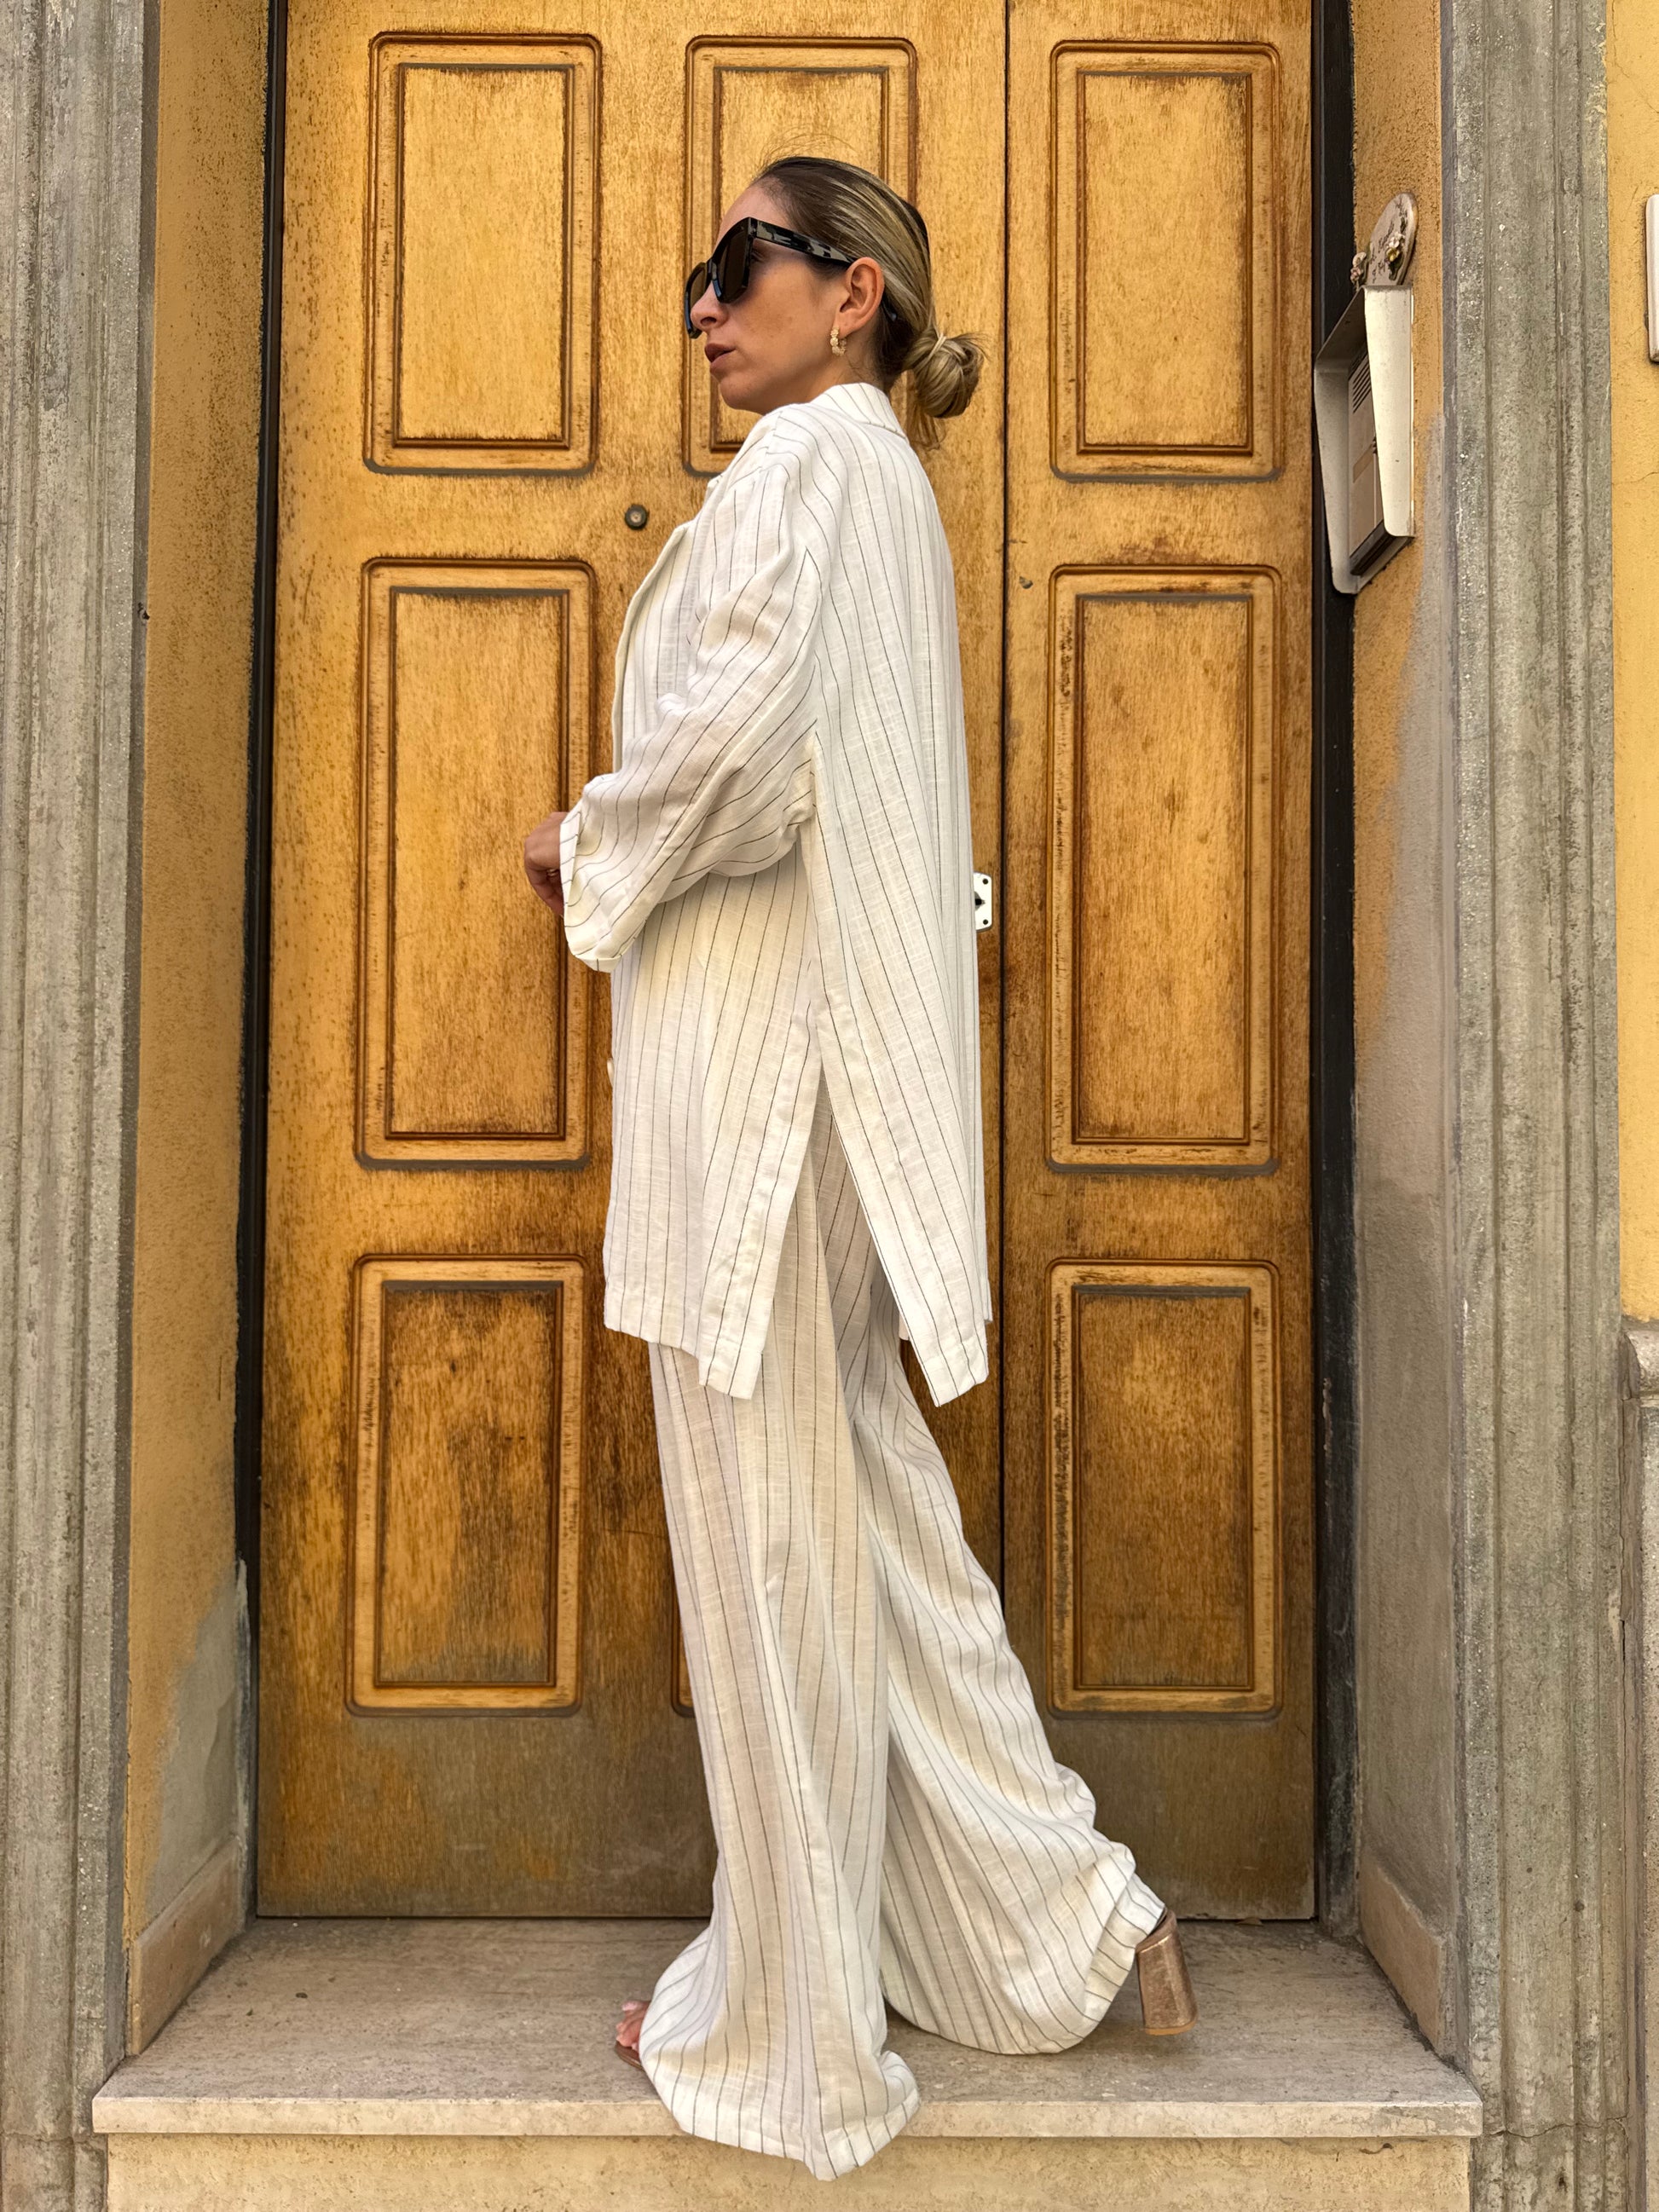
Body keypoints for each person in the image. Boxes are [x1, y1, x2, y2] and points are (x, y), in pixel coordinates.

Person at [522, 153, 1195, 2183]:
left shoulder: (813, 466)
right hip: (832, 1094)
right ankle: (1068, 1924)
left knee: (770, 1558)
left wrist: (587, 840)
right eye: (703, 270)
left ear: (855, 296)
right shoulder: (878, 483)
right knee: (868, 1524)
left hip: (762, 1096)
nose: (703, 304)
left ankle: (794, 2034)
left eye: (743, 263)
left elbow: (746, 761)